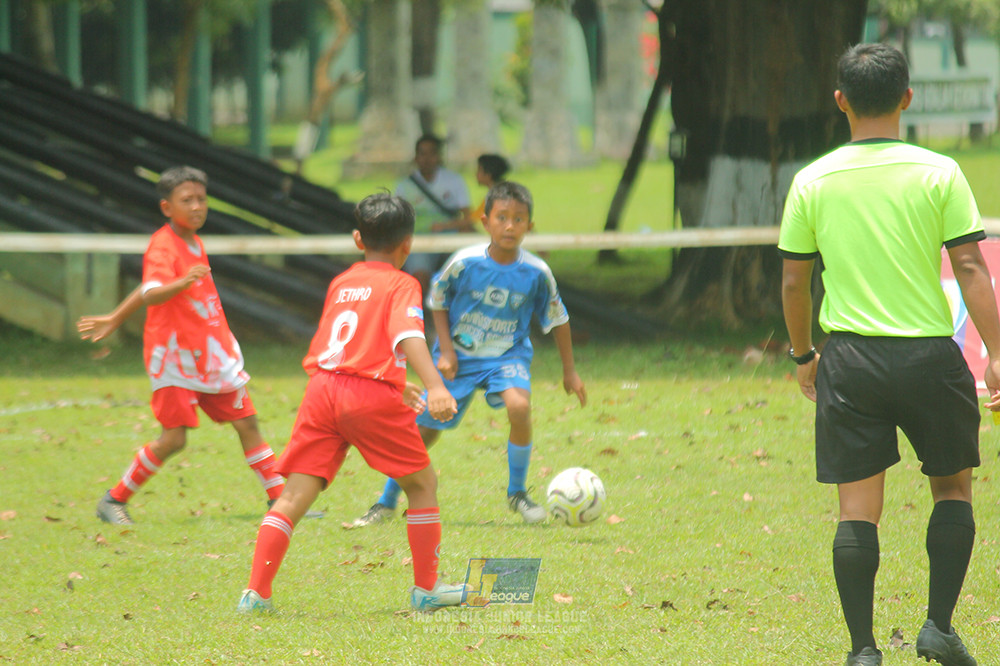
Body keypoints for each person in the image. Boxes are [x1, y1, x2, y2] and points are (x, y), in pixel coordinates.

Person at [779, 43, 1000, 666]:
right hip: (930, 357)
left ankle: (863, 650)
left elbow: (795, 281)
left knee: (857, 510)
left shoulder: (812, 180)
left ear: (840, 101)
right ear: (907, 97)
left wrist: (803, 354)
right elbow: (969, 267)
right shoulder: (940, 172)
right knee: (952, 490)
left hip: (850, 361)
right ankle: (938, 627)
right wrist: (996, 352)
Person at [236, 193, 466, 613]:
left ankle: (256, 593)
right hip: (367, 396)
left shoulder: (341, 282)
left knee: (293, 495)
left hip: (322, 390)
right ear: (408, 243)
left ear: (358, 239)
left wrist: (397, 383)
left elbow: (350, 344)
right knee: (421, 485)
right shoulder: (402, 283)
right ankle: (427, 588)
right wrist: (434, 385)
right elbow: (407, 335)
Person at [352, 180, 587, 528]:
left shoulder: (537, 271)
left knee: (519, 407)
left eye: (519, 219)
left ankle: (517, 493)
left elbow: (559, 319)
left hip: (506, 357)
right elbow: (438, 301)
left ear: (530, 225)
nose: (510, 226)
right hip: (458, 359)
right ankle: (385, 501)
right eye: (502, 218)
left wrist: (570, 371)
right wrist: (446, 351)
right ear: (485, 221)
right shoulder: (465, 262)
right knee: (425, 432)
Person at [78, 166, 287, 525]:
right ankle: (113, 500)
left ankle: (281, 501)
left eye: (201, 199)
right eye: (186, 200)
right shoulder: (163, 244)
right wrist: (183, 281)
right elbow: (154, 291)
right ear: (166, 207)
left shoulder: (193, 241)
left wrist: (115, 316)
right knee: (174, 439)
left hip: (210, 352)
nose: (196, 207)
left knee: (247, 423)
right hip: (174, 357)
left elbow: (149, 285)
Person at [394, 133, 472, 294]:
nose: (427, 159)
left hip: (450, 237)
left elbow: (468, 219)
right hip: (418, 241)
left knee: (460, 279)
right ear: (416, 157)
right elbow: (396, 220)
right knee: (419, 280)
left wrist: (445, 226)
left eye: (432, 153)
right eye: (422, 153)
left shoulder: (454, 181)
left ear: (439, 156)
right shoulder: (404, 186)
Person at [464, 153, 511, 227]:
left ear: (488, 174)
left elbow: (471, 221)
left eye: (479, 170)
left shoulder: (496, 196)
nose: (475, 174)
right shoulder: (503, 192)